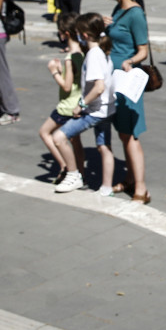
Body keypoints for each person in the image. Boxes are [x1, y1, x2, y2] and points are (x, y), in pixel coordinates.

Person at [53, 13, 117, 195]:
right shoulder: (103, 51)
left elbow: (98, 87)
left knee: (59, 137)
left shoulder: (94, 55)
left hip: (95, 111)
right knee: (104, 147)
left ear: (85, 35)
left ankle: (74, 175)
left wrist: (80, 105)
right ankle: (106, 188)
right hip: (108, 108)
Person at [106, 0, 151, 203]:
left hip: (127, 83)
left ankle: (141, 189)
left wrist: (130, 61)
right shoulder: (118, 9)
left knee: (132, 135)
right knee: (123, 134)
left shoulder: (135, 13)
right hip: (114, 82)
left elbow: (142, 49)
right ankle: (130, 178)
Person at [40, 13, 86, 185]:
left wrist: (54, 71)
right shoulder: (81, 53)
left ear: (65, 33)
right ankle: (81, 172)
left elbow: (66, 86)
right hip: (78, 104)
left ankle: (65, 166)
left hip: (66, 106)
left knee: (45, 132)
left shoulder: (69, 58)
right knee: (76, 141)